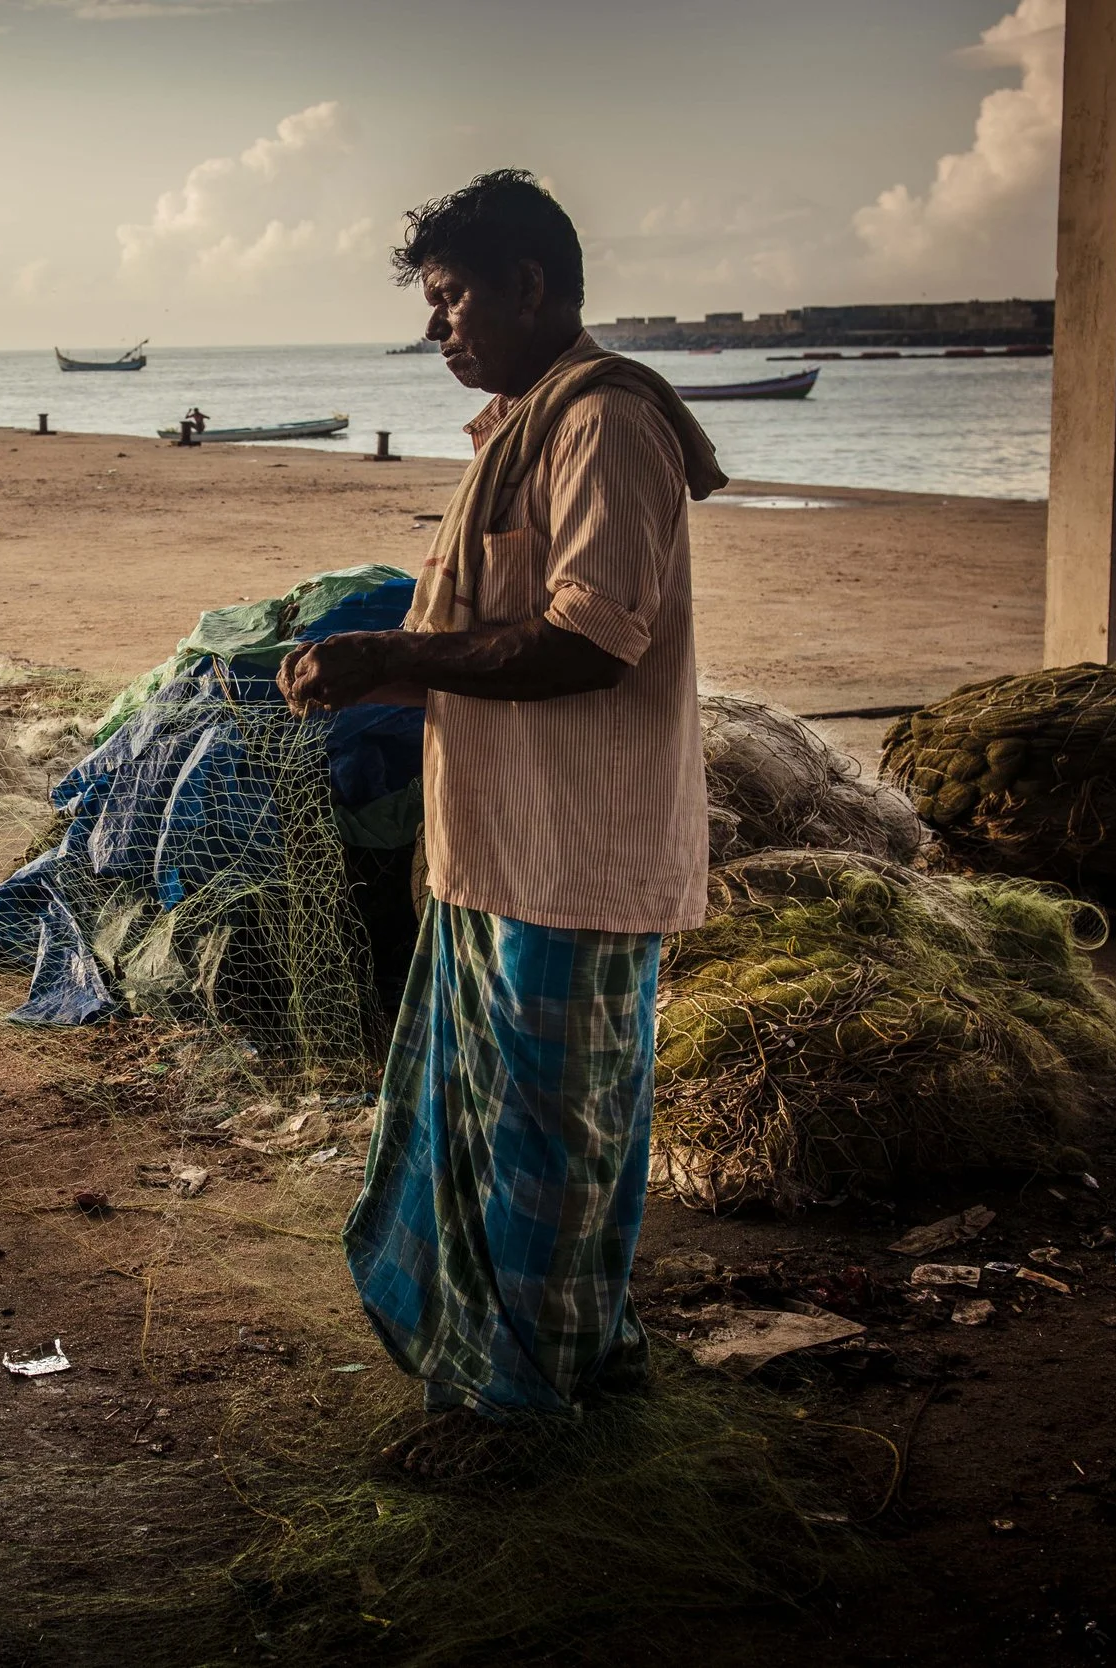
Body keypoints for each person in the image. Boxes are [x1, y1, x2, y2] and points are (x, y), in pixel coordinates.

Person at [277, 170, 725, 1475]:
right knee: (498, 1126)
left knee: (549, 1140)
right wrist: (373, 667)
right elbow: (493, 635)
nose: (441, 330)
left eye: (456, 297)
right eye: (433, 305)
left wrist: (385, 659)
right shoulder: (524, 432)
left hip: (572, 861)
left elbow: (587, 642)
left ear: (532, 285)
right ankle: (571, 1349)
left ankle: (523, 1412)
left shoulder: (607, 425)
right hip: (493, 854)